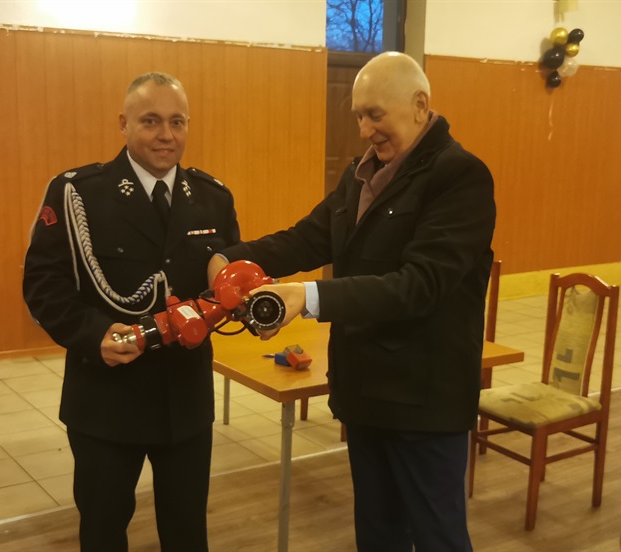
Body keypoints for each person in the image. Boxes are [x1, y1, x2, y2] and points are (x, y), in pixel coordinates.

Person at [210, 51, 495, 551]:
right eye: (359, 116)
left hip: (424, 402)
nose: (364, 130)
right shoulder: (360, 175)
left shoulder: (459, 176)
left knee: (438, 538)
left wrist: (305, 297)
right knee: (378, 533)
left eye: (375, 114)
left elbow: (419, 284)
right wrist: (228, 257)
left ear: (420, 105)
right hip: (366, 392)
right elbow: (307, 239)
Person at [23, 72, 239, 552]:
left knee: (188, 533)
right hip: (107, 400)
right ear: (123, 124)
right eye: (151, 121)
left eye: (177, 122)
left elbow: (223, 284)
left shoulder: (212, 198)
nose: (166, 135)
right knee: (103, 531)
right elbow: (43, 286)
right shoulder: (78, 193)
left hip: (184, 401)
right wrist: (93, 334)